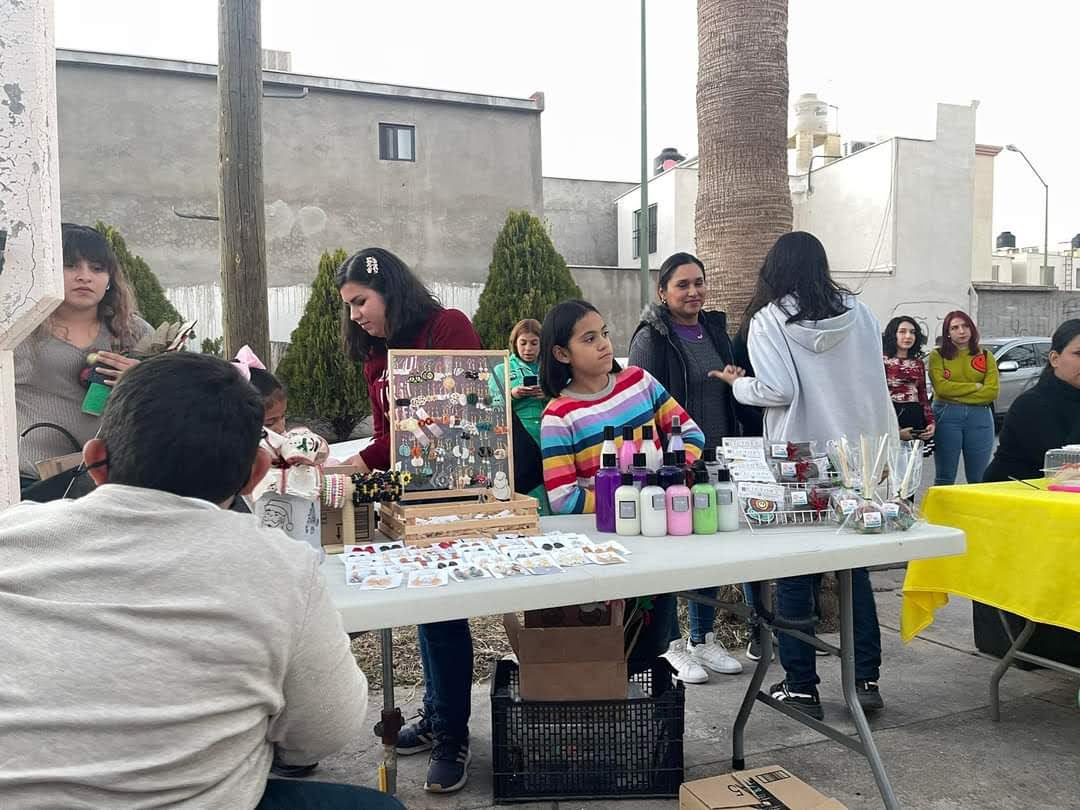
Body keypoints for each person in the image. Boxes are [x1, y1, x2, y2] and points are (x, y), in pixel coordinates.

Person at [0, 352, 400, 810]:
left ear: (95, 461)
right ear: (255, 474)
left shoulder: (11, 536)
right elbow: (324, 732)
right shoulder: (281, 568)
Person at [714, 231, 897, 720]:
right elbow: (874, 385)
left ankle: (801, 686)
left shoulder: (770, 320)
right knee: (853, 571)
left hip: (798, 460)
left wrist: (739, 385)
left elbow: (776, 388)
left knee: (795, 572)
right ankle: (865, 678)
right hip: (858, 459)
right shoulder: (861, 315)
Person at [336, 247, 479, 794]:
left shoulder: (447, 327)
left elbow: (454, 416)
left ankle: (453, 734)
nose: (355, 315)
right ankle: (442, 713)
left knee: (444, 607)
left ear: (389, 291)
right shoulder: (377, 353)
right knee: (424, 601)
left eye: (360, 301)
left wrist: (358, 465)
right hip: (409, 496)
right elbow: (384, 435)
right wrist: (339, 471)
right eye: (348, 306)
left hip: (462, 487)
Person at [539, 299, 704, 669]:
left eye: (605, 333)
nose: (604, 344)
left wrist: (672, 477)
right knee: (615, 647)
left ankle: (655, 714)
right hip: (604, 551)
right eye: (589, 338)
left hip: (658, 536)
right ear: (562, 353)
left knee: (655, 640)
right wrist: (627, 500)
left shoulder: (639, 382)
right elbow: (563, 498)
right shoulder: (559, 415)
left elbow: (691, 434)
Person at [627, 252, 742, 683]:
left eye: (699, 283)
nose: (693, 292)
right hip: (673, 464)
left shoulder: (714, 330)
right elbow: (640, 401)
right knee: (673, 553)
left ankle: (703, 637)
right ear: (663, 292)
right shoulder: (652, 337)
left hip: (716, 454)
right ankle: (673, 645)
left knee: (708, 546)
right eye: (682, 285)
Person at [16, 223, 152, 490]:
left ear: (110, 278)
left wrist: (142, 379)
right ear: (47, 270)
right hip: (31, 483)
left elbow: (178, 399)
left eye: (97, 268)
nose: (84, 276)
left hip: (115, 481)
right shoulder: (18, 331)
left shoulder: (136, 332)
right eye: (70, 266)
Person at [984, 319, 1080, 482]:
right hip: (1013, 497)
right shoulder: (1031, 405)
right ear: (1054, 358)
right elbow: (1065, 465)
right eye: (1078, 354)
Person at [927, 310, 999, 485]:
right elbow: (942, 388)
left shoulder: (986, 355)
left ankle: (976, 512)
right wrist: (975, 386)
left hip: (980, 417)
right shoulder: (937, 356)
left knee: (979, 478)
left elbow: (992, 392)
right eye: (955, 327)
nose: (961, 331)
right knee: (945, 477)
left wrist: (956, 394)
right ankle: (942, 513)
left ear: (972, 329)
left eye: (965, 326)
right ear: (948, 333)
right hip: (946, 415)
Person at [490, 318, 550, 513]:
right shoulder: (502, 368)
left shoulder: (550, 368)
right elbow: (491, 405)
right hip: (517, 437)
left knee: (550, 481)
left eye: (534, 343)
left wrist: (549, 395)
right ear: (514, 343)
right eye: (523, 342)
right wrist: (513, 395)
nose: (528, 349)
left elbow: (569, 396)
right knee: (526, 482)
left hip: (549, 433)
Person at [882, 316, 936, 450]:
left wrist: (930, 422)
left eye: (912, 332)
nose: (908, 336)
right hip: (890, 416)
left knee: (913, 466)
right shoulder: (881, 360)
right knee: (890, 467)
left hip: (914, 415)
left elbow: (923, 396)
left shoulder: (918, 363)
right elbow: (877, 397)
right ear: (892, 334)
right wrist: (896, 431)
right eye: (902, 331)